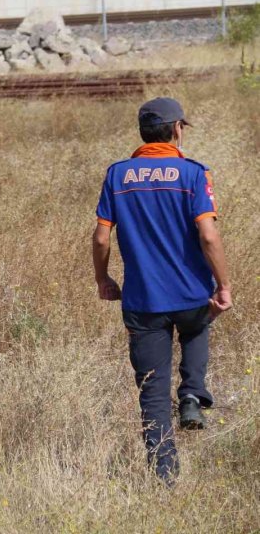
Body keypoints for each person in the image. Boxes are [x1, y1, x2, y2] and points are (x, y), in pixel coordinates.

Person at [92, 97, 233, 483]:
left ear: (142, 132)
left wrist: (103, 279)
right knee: (197, 324)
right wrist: (223, 285)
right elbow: (208, 235)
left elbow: (102, 238)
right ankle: (192, 394)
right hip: (191, 295)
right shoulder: (193, 173)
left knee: (152, 393)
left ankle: (164, 475)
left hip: (143, 301)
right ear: (176, 129)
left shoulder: (118, 175)